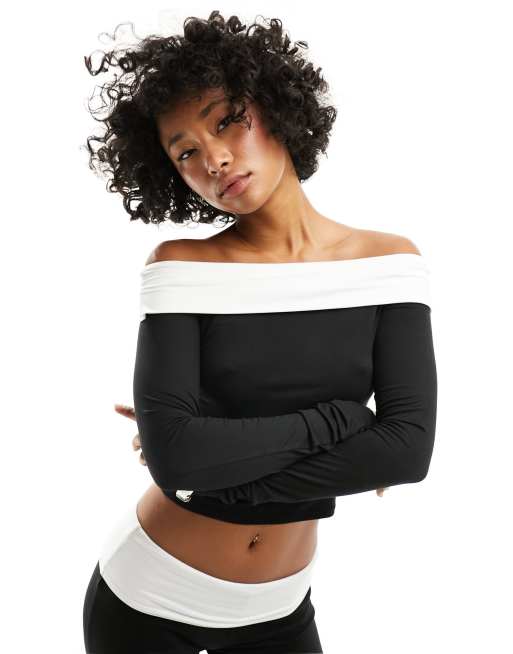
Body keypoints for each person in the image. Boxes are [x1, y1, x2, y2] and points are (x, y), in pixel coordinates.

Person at [82, 11, 437, 653]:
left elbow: (407, 452)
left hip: (280, 606)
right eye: (185, 152)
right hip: (147, 599)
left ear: (275, 107)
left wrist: (217, 471)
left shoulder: (390, 265)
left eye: (227, 121)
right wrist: (346, 423)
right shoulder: (180, 267)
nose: (214, 159)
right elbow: (177, 457)